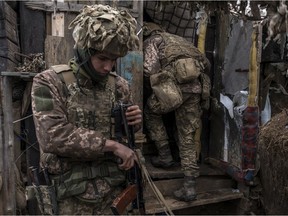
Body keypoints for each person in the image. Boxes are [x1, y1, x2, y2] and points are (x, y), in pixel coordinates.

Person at [31, 4, 142, 215]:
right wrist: (112, 146)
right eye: (102, 58)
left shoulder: (119, 86)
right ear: (84, 51)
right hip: (68, 196)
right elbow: (51, 136)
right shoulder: (49, 82)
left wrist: (132, 124)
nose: (108, 67)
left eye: (113, 60)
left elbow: (124, 138)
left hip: (112, 192)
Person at [143, 22, 211, 202]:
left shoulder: (153, 41)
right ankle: (189, 186)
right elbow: (206, 63)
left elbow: (149, 69)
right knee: (187, 135)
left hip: (172, 90)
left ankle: (165, 156)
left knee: (150, 112)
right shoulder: (183, 41)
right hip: (195, 90)